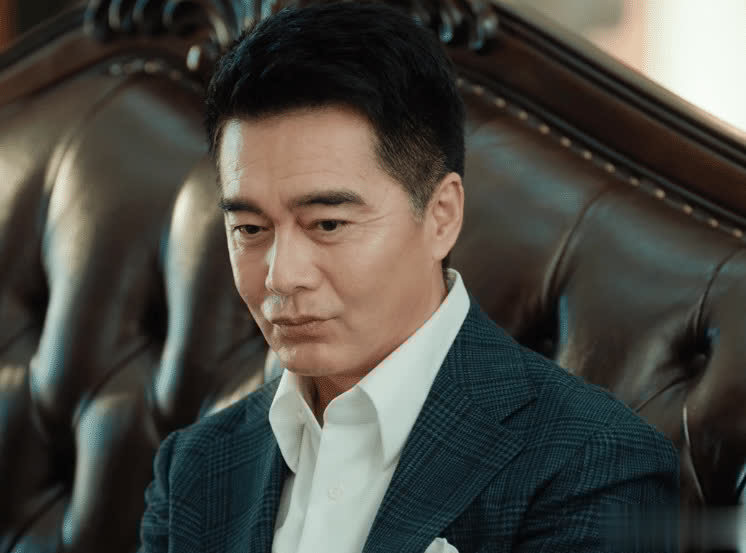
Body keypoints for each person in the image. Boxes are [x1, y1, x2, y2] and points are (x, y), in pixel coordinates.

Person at [138, 2, 679, 552]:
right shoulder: (195, 469)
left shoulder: (595, 464)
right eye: (250, 229)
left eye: (327, 224)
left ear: (441, 215)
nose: (281, 277)